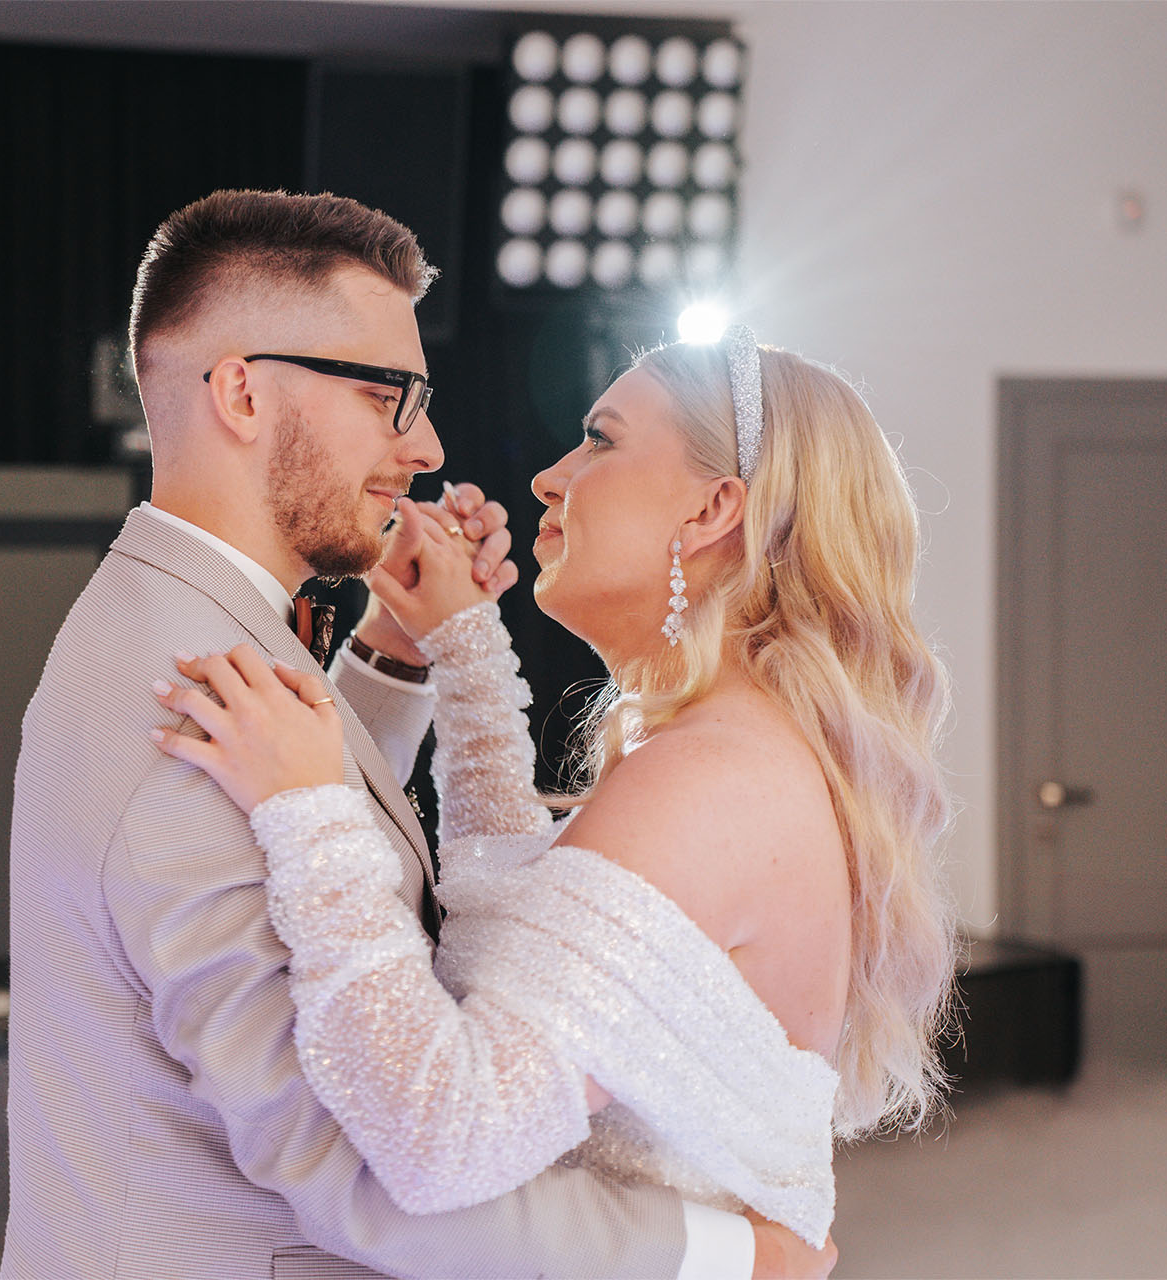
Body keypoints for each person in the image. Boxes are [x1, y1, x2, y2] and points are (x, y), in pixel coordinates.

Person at [3, 190, 834, 1278]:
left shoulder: (189, 628)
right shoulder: (190, 704)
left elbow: (314, 842)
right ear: (243, 393)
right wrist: (729, 1259)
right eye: (386, 395)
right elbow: (354, 1160)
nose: (427, 446)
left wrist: (397, 653)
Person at [153, 328, 957, 1249]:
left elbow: (446, 1134)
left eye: (600, 440)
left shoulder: (709, 780)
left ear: (712, 509)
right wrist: (459, 642)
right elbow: (510, 906)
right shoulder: (728, 747)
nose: (548, 478)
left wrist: (309, 816)